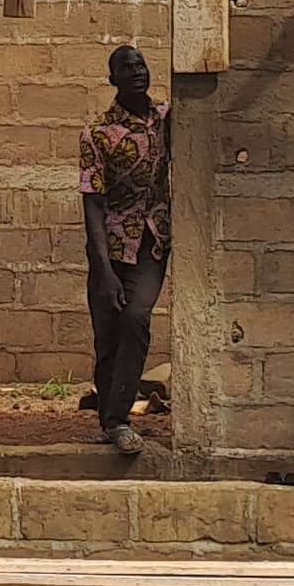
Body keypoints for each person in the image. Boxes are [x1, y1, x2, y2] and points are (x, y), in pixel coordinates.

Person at [77, 42, 171, 455]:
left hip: (152, 241)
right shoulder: (98, 133)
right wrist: (104, 270)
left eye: (141, 65)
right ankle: (108, 419)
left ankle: (117, 421)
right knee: (108, 334)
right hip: (111, 244)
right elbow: (92, 202)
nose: (137, 72)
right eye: (126, 68)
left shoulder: (166, 118)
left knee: (136, 317)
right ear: (112, 79)